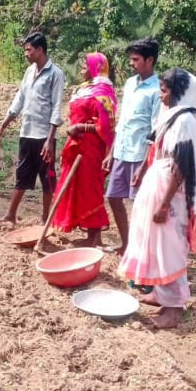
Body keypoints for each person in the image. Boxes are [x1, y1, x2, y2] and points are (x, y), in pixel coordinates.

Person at [118, 68, 196, 329]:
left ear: (178, 93)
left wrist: (165, 204)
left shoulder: (185, 121)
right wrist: (143, 171)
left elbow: (182, 166)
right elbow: (156, 147)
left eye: (164, 90)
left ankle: (174, 308)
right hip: (159, 182)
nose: (160, 95)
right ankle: (160, 293)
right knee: (155, 241)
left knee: (168, 247)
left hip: (171, 192)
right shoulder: (171, 116)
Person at [0, 32, 66, 225]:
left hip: (44, 137)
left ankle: (45, 218)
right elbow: (19, 100)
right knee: (22, 174)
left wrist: (50, 140)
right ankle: (10, 215)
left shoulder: (56, 74)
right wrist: (2, 126)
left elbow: (57, 107)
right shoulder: (29, 71)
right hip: (27, 132)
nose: (26, 53)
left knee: (47, 178)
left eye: (29, 50)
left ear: (40, 50)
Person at [50, 52, 117, 246]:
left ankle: (95, 237)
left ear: (96, 68)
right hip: (76, 145)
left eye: (85, 66)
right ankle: (89, 234)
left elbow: (107, 125)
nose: (81, 69)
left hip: (91, 147)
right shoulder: (83, 89)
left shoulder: (104, 92)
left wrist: (81, 127)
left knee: (90, 189)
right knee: (77, 186)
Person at [103, 38, 162, 253]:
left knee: (141, 204)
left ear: (150, 60)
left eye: (136, 59)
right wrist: (111, 152)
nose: (131, 63)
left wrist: (145, 164)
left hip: (140, 154)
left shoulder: (157, 90)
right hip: (122, 151)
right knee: (113, 197)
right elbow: (123, 121)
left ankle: (143, 248)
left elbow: (155, 130)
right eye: (131, 59)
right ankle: (126, 243)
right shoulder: (129, 84)